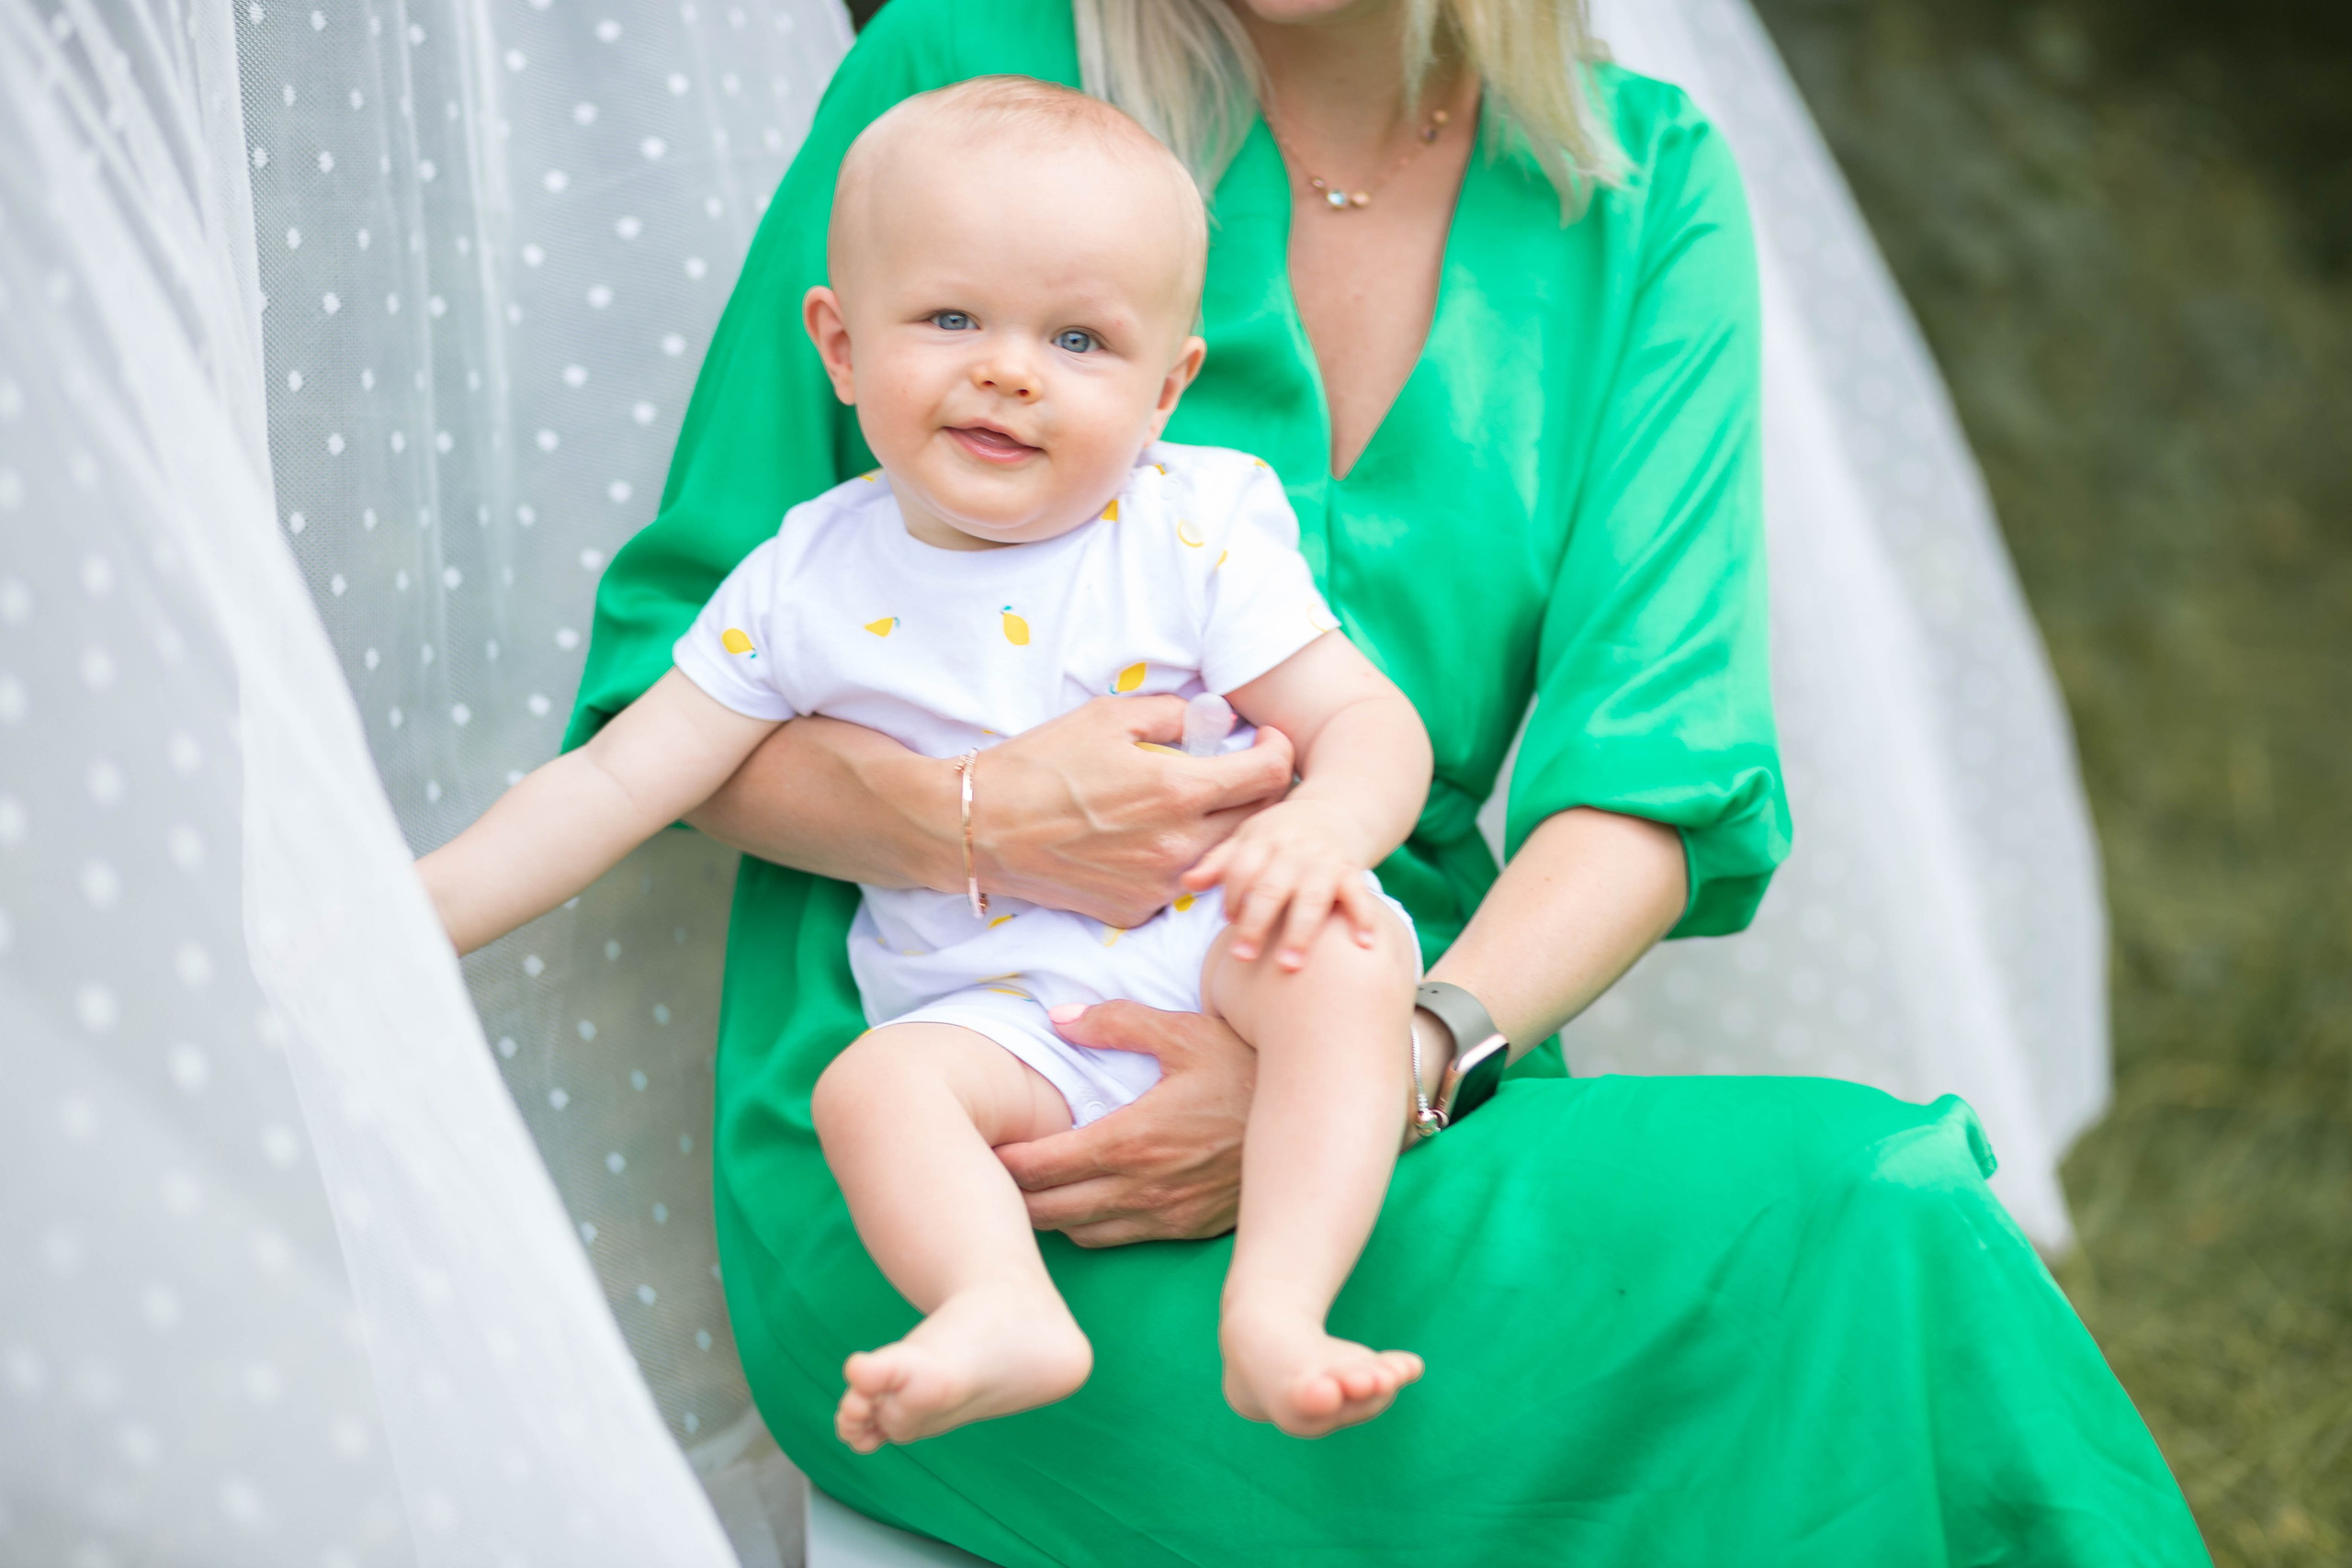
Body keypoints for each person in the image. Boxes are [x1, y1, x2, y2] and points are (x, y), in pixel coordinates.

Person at [569, 0, 2211, 1561]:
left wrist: (1398, 1064)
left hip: (1386, 1073)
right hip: (951, 1145)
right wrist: (978, 817)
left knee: (1874, 1212)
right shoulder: (965, 70)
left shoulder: (1635, 190)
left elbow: (1653, 780)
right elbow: (666, 694)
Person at [423, 77, 1439, 1449]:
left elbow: (1371, 725)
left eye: (1080, 338)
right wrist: (406, 922)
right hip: (1007, 1023)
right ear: (840, 345)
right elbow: (611, 784)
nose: (1009, 369)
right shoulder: (799, 585)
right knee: (872, 1088)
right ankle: (998, 1304)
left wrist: (1322, 835)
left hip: (1221, 949)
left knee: (1346, 960)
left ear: (1167, 387)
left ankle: (1280, 1308)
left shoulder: (1189, 530)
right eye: (953, 318)